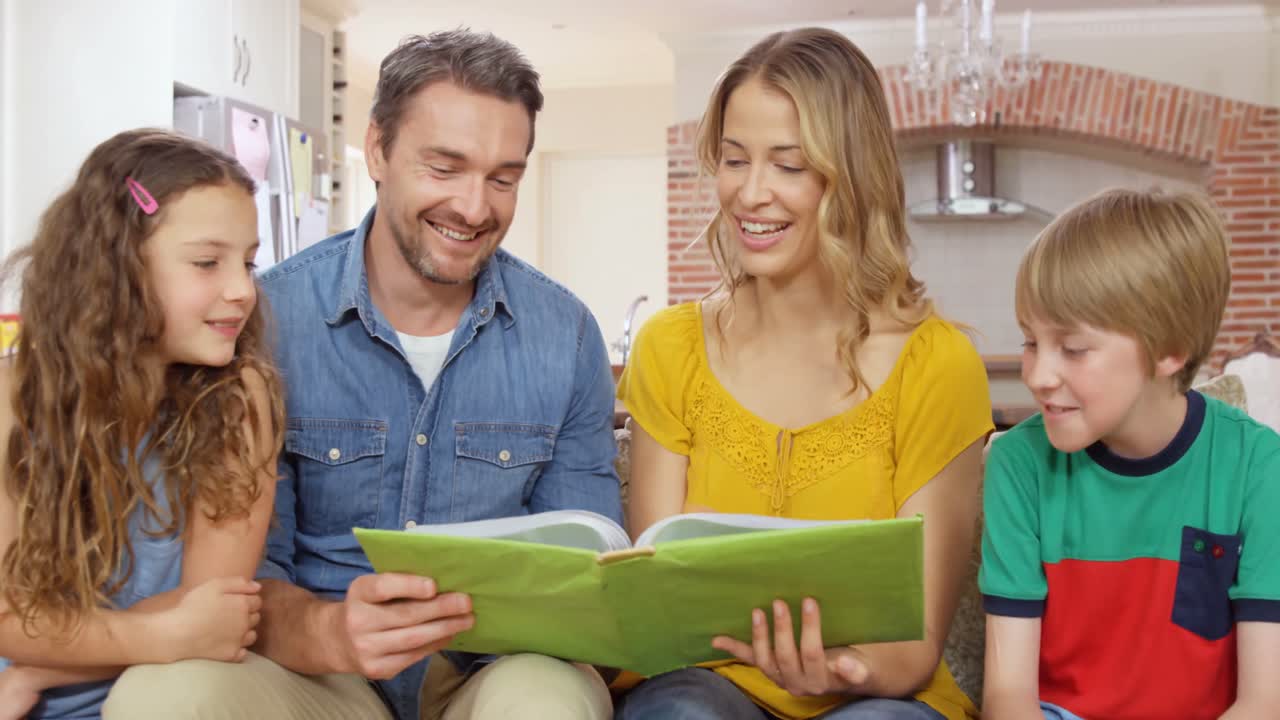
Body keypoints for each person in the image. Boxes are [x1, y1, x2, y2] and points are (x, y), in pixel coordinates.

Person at [104, 29, 621, 720]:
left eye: (503, 178)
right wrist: (332, 633)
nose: (474, 207)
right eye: (444, 168)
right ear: (377, 150)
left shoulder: (568, 335)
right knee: (161, 696)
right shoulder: (262, 321)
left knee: (540, 700)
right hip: (317, 676)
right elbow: (239, 582)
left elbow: (593, 577)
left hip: (490, 675)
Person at [615, 27, 991, 720]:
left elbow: (910, 650)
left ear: (850, 175)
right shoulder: (669, 347)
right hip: (703, 686)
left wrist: (842, 667)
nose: (751, 194)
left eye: (789, 165)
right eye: (734, 160)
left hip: (875, 694)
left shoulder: (937, 365)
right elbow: (658, 614)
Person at [0, 128, 282, 719]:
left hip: (152, 695)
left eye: (250, 263)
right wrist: (171, 631)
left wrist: (43, 664)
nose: (242, 290)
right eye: (208, 262)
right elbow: (10, 621)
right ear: (117, 267)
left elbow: (215, 614)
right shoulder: (11, 400)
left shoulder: (239, 400)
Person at [980, 188, 1280, 720]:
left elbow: (1264, 701)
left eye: (1073, 349)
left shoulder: (1258, 466)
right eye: (1030, 342)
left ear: (1170, 350)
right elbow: (1007, 699)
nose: (1038, 375)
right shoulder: (1017, 465)